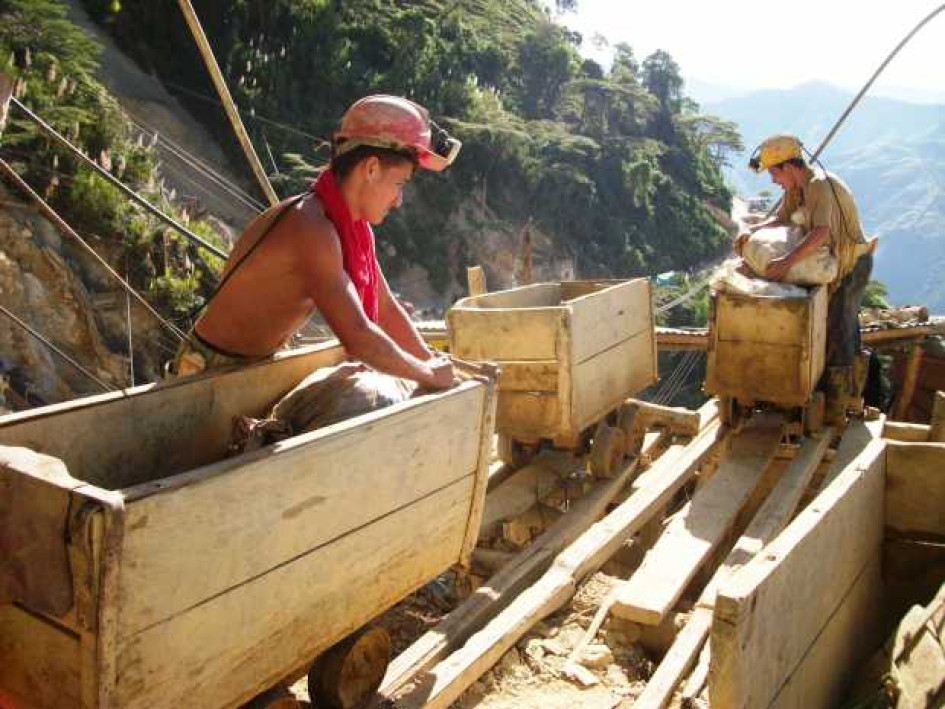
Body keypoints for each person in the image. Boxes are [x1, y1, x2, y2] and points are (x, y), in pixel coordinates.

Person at [168, 95, 462, 390]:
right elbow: (359, 337)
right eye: (400, 184)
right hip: (210, 369)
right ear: (371, 169)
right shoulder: (310, 227)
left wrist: (432, 362)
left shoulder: (352, 228)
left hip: (256, 366)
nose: (398, 200)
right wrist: (428, 375)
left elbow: (384, 307)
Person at [735, 134, 876, 422]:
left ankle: (840, 405)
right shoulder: (796, 188)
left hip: (853, 263)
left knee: (841, 326)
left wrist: (785, 263)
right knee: (833, 325)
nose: (774, 180)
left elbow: (820, 232)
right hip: (835, 262)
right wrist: (754, 230)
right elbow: (783, 219)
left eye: (774, 173)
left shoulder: (819, 185)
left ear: (789, 166)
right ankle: (827, 395)